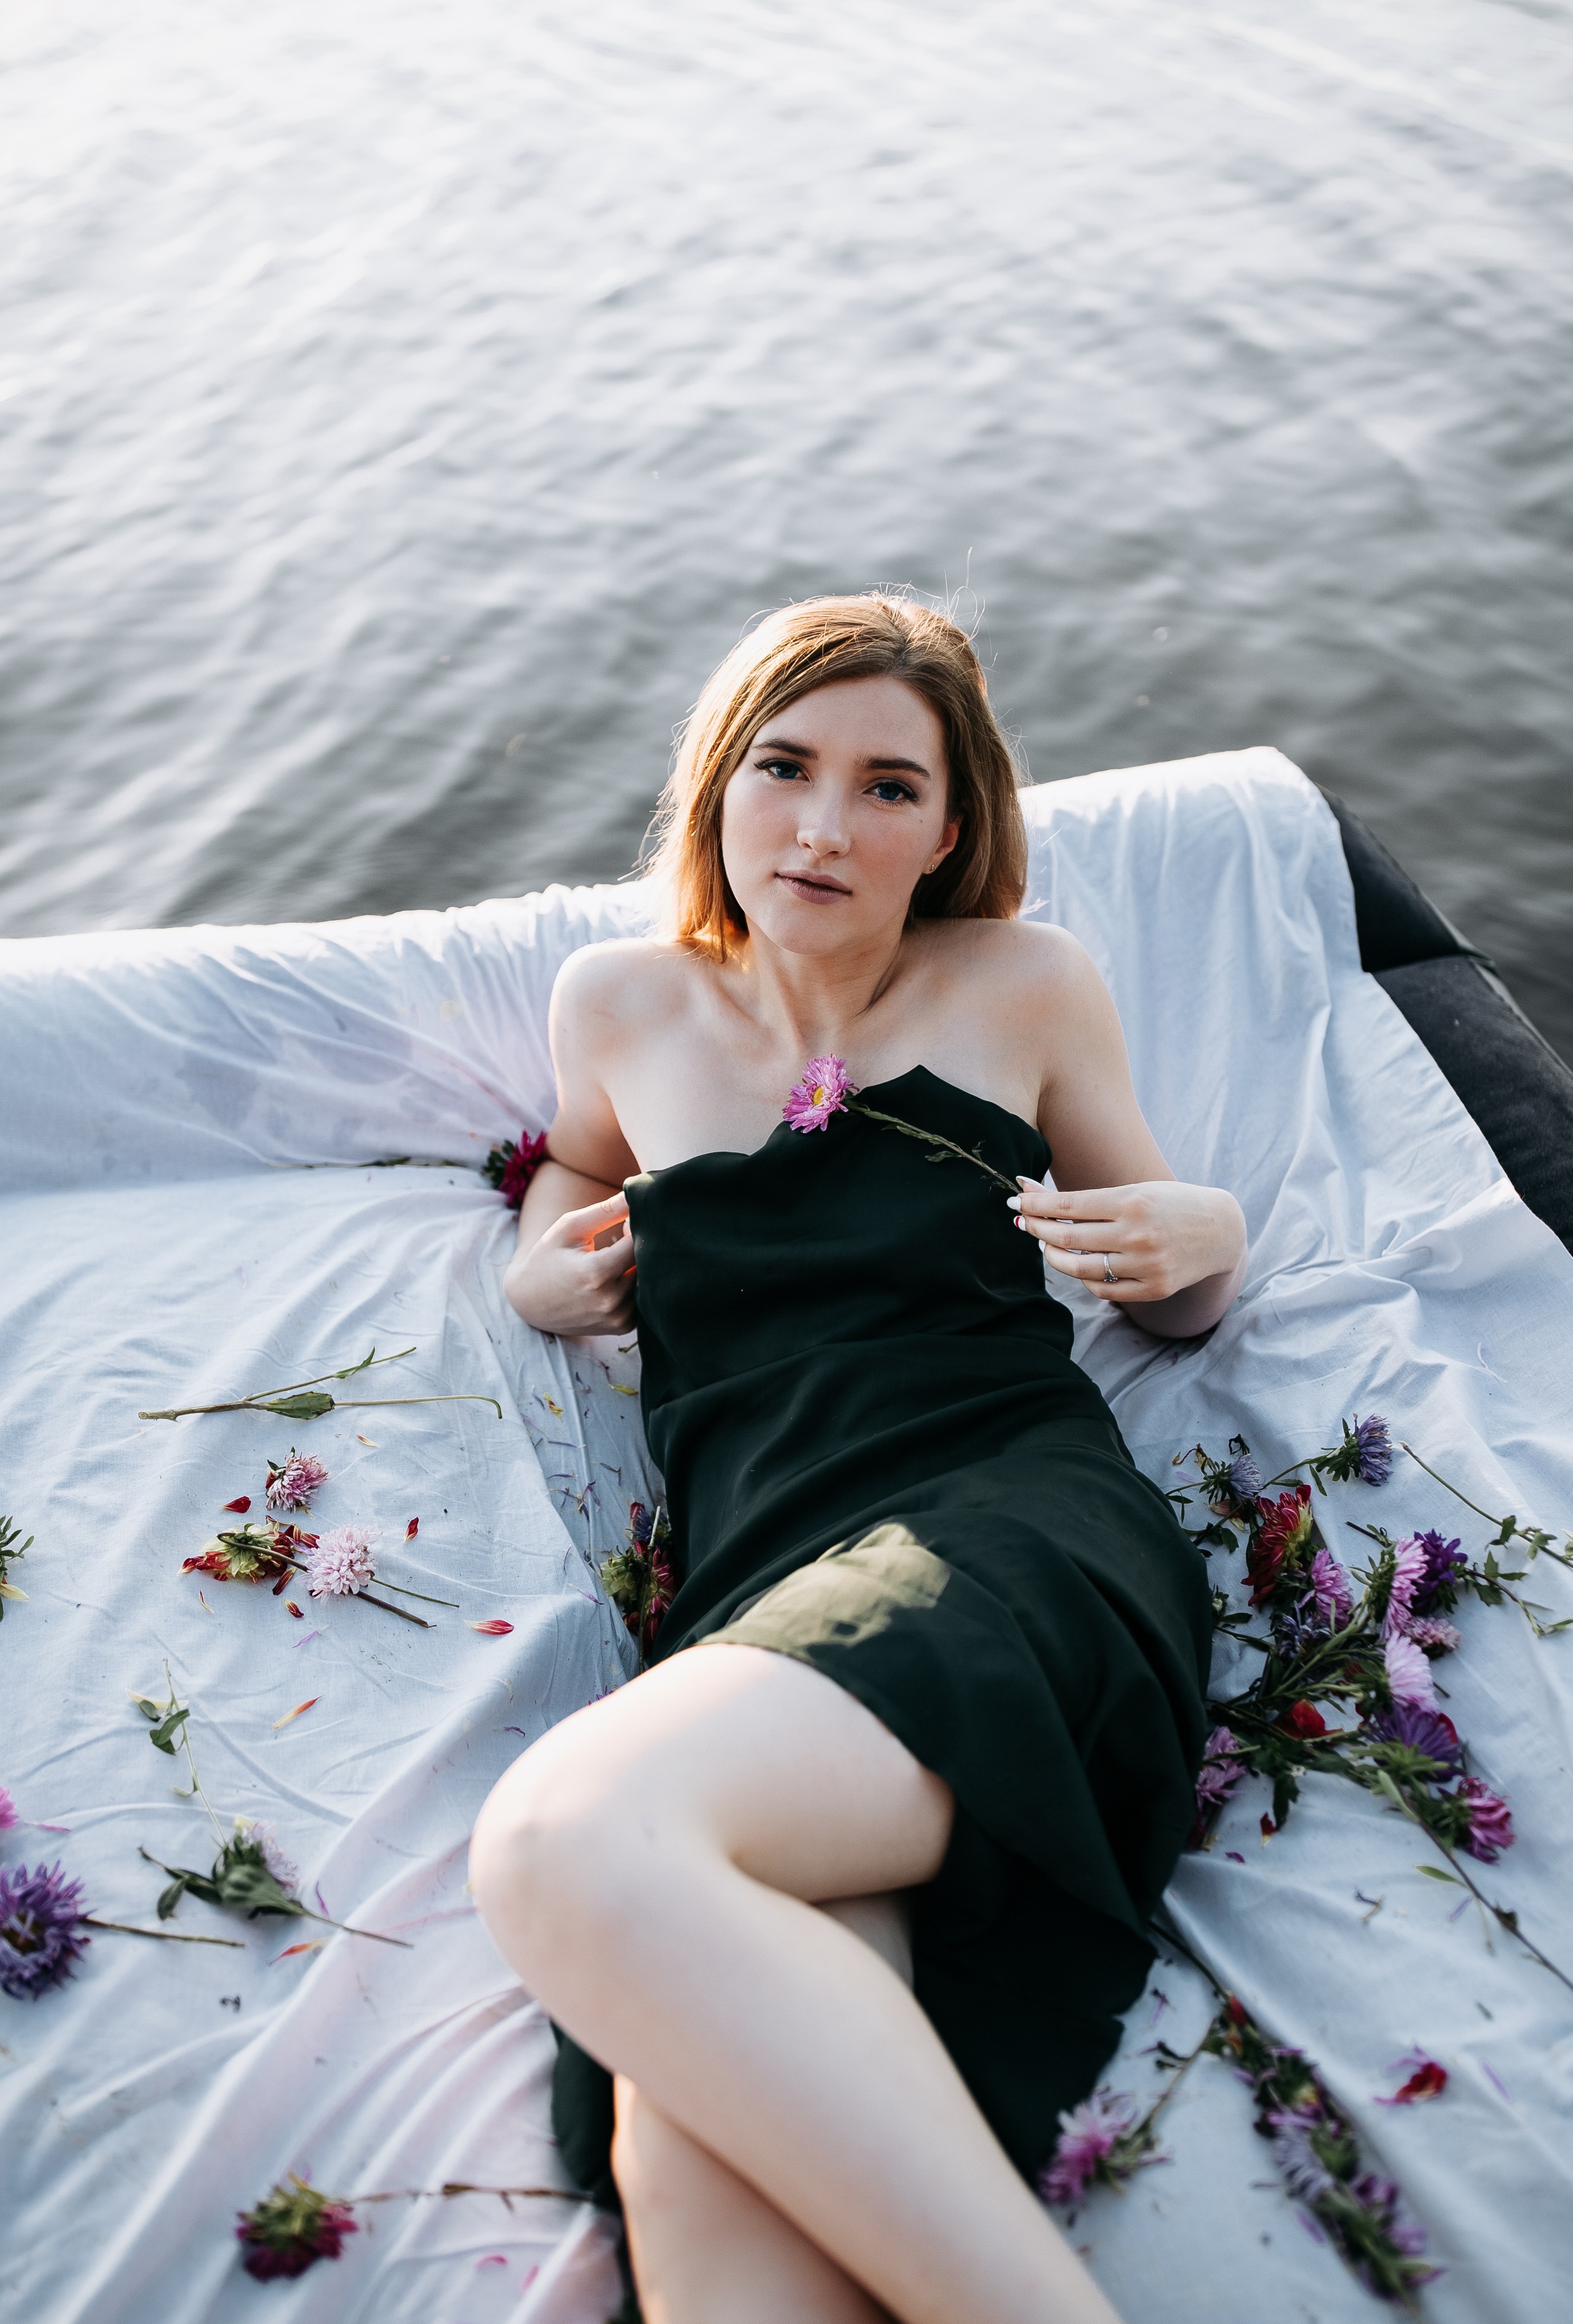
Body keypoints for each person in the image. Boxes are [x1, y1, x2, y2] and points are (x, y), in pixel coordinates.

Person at [470, 594, 1248, 2324]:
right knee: (694, 2158)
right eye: (787, 768)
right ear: (718, 787)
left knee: (567, 1844)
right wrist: (540, 1266)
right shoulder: (621, 1004)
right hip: (763, 1572)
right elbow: (569, 1170)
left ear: (951, 829)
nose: (824, 827)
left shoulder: (1022, 984)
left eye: (889, 788)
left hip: (1001, 1527)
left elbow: (1172, 1280)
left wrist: (1208, 1224)